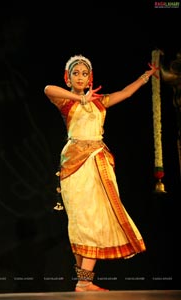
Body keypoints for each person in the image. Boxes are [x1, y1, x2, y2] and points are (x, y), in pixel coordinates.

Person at [44, 54, 158, 292]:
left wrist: (144, 77)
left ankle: (84, 281)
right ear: (69, 78)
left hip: (98, 160)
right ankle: (84, 281)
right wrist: (79, 98)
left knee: (95, 218)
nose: (80, 77)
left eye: (85, 74)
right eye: (75, 73)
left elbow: (126, 93)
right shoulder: (68, 102)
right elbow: (48, 89)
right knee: (80, 222)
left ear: (90, 78)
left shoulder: (99, 102)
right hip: (74, 163)